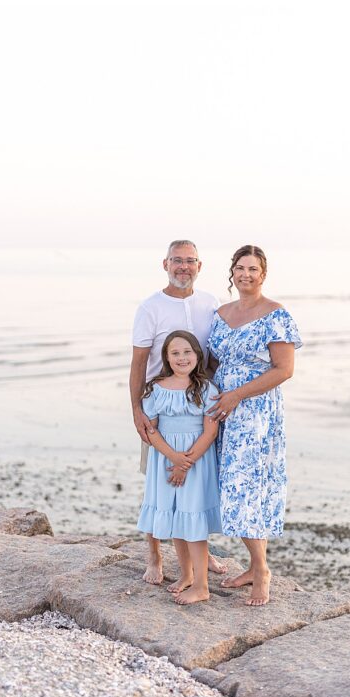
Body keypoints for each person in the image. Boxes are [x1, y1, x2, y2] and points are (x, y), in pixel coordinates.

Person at [205, 245, 302, 606]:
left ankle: (261, 571)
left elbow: (283, 369)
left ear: (263, 274)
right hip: (221, 409)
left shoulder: (276, 314)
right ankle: (252, 565)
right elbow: (212, 364)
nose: (246, 274)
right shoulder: (220, 314)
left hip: (255, 412)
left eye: (253, 268)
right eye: (240, 268)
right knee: (228, 485)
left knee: (247, 487)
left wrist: (236, 396)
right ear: (232, 272)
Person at [130, 240, 226, 584]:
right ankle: (154, 556)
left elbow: (216, 355)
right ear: (165, 264)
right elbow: (139, 362)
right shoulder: (150, 308)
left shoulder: (212, 303)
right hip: (160, 410)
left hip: (200, 404)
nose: (183, 267)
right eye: (176, 261)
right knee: (157, 482)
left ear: (199, 266)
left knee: (197, 486)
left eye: (189, 261)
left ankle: (201, 554)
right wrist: (137, 410)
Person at [136, 331, 222, 604]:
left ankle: (201, 585)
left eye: (187, 352)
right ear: (166, 358)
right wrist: (173, 458)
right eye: (175, 353)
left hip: (196, 460)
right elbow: (151, 431)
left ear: (197, 355)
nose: (182, 358)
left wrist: (186, 462)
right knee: (176, 517)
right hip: (166, 459)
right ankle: (185, 575)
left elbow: (210, 432)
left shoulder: (206, 389)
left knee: (192, 519)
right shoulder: (156, 388)